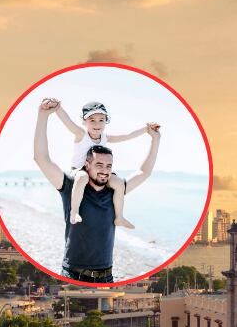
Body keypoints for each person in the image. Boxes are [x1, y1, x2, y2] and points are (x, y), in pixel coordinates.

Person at [33, 98, 161, 283]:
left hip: (106, 275)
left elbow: (144, 172)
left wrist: (153, 137)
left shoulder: (114, 189)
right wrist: (44, 114)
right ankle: (74, 212)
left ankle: (120, 217)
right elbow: (41, 157)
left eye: (109, 166)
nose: (104, 170)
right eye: (99, 164)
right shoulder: (70, 185)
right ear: (87, 164)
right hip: (73, 273)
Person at [44, 98, 159, 227]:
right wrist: (57, 107)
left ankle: (119, 217)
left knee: (119, 184)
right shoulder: (81, 134)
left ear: (106, 122)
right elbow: (67, 121)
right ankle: (74, 212)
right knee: (82, 178)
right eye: (92, 120)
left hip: (99, 171)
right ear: (84, 121)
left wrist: (146, 129)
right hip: (79, 170)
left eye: (101, 120)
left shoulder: (105, 137)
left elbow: (127, 135)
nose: (96, 124)